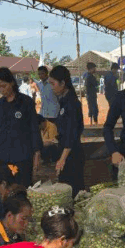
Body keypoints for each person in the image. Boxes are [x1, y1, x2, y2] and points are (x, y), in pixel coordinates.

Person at [0, 67, 42, 192]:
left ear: (11, 83)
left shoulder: (26, 102)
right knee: (0, 190)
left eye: (4, 86)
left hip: (21, 156)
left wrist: (37, 154)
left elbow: (34, 129)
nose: (1, 90)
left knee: (20, 189)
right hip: (1, 156)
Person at [49, 64, 85, 196]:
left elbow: (72, 133)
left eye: (53, 84)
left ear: (63, 83)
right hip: (65, 151)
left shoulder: (72, 104)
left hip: (71, 155)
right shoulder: (64, 102)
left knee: (72, 192)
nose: (52, 87)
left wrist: (62, 159)